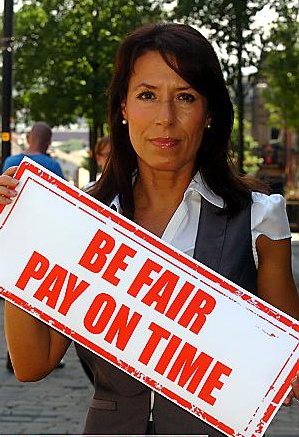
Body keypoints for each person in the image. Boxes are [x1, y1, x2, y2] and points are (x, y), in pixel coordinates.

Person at [1, 23, 299, 436]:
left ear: (209, 112)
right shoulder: (83, 216)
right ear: (123, 107)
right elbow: (32, 364)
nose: (165, 118)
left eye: (185, 97)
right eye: (146, 96)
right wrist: (15, 236)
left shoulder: (260, 217)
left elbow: (289, 363)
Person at [2, 121, 65, 373]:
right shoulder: (53, 165)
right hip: (45, 244)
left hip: (16, 241)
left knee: (16, 301)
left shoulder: (10, 161)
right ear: (48, 141)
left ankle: (14, 352)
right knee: (38, 304)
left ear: (29, 137)